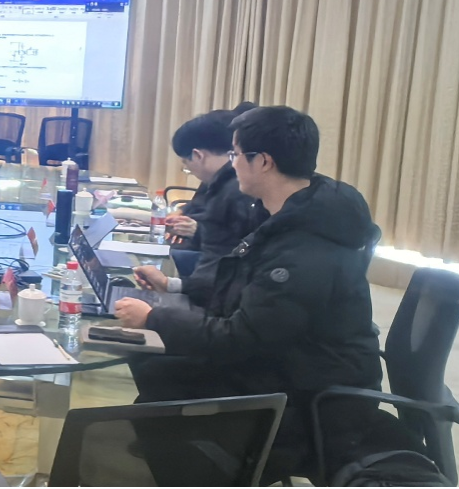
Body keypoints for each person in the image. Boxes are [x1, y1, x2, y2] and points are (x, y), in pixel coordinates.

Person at [116, 106, 382, 479]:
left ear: (264, 162)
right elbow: (242, 288)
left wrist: (155, 317)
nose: (232, 164)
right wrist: (174, 288)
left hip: (309, 400)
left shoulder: (304, 248)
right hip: (291, 366)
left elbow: (241, 338)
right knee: (156, 367)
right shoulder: (289, 214)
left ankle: (210, 466)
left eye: (236, 154)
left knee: (159, 382)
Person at [145, 104, 267, 307]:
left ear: (198, 155)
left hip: (220, 303)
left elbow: (217, 269)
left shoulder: (234, 190)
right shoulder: (224, 183)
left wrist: (167, 300)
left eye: (237, 155)